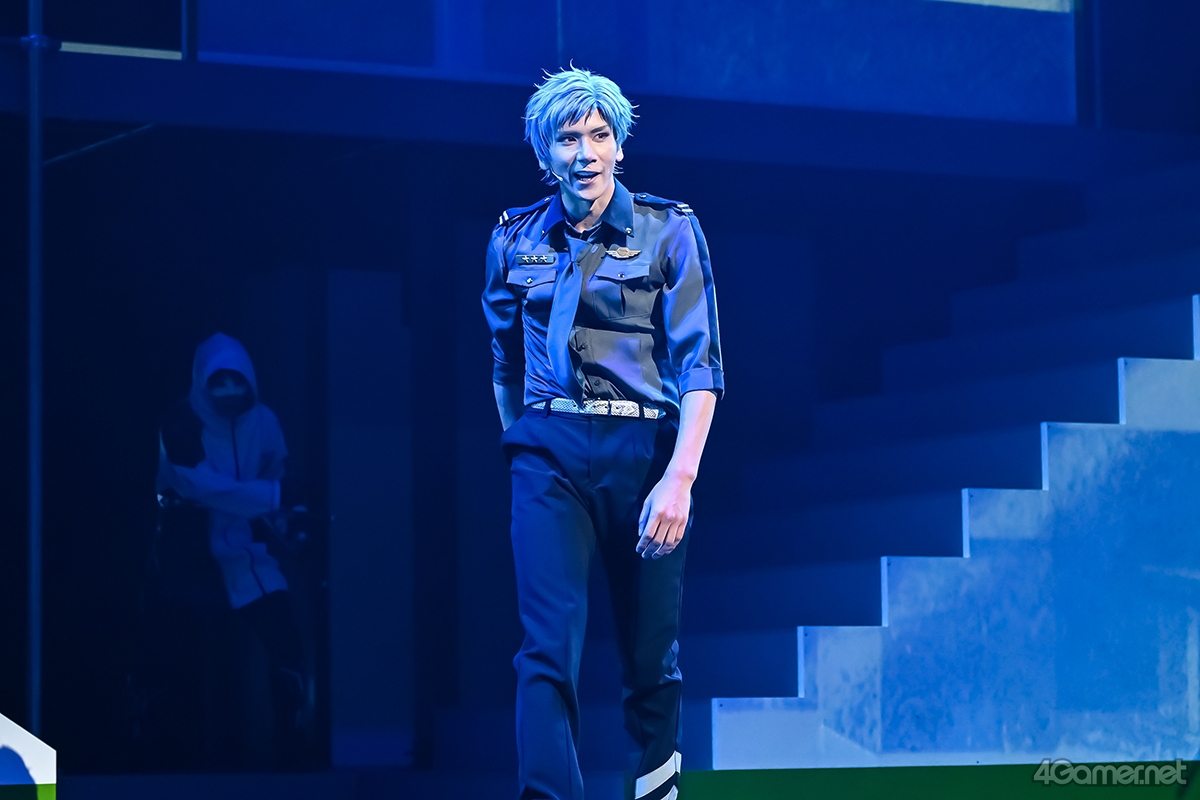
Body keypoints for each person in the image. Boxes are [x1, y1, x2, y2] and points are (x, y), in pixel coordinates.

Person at [482, 68, 723, 800]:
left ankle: (656, 790)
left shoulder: (669, 229)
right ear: (544, 153)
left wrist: (680, 478)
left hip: (644, 455)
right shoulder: (512, 238)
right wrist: (525, 448)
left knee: (651, 655)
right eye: (568, 138)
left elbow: (701, 366)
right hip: (548, 454)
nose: (585, 152)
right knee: (545, 650)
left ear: (619, 145)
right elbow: (504, 363)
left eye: (599, 135)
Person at [153, 332, 308, 767]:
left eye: (236, 381)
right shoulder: (181, 424)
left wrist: (289, 520)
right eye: (218, 382)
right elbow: (199, 486)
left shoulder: (264, 422)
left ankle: (291, 742)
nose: (229, 391)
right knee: (193, 658)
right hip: (192, 556)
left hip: (248, 555)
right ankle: (183, 757)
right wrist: (274, 496)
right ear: (201, 381)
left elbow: (277, 473)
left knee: (286, 645)